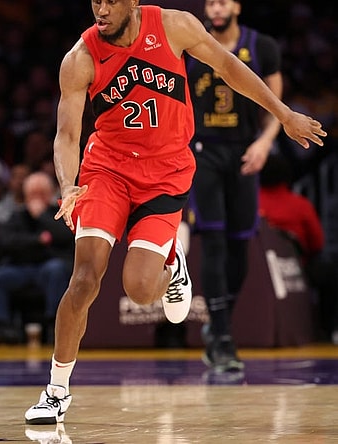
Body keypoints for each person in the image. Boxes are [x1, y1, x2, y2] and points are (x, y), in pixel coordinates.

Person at [24, 0, 325, 426]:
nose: (101, 10)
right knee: (86, 277)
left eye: (110, 1)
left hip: (165, 172)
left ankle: (172, 267)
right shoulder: (81, 57)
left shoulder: (173, 26)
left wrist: (283, 114)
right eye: (94, 1)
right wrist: (66, 183)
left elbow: (229, 68)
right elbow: (67, 133)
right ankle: (56, 391)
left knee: (142, 290)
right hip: (107, 170)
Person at [186, 0, 284, 372]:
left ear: (237, 6)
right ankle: (224, 339)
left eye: (222, 1)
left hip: (245, 151)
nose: (215, 8)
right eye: (210, 2)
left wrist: (264, 142)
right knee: (212, 242)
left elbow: (275, 103)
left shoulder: (262, 47)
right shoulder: (193, 44)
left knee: (239, 245)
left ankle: (218, 323)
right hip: (203, 152)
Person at [0, 172, 73, 345]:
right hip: (21, 268)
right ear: (25, 195)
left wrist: (42, 215)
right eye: (33, 194)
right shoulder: (17, 215)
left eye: (41, 193)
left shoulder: (60, 213)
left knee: (56, 269)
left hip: (48, 267)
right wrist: (38, 241)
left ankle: (55, 326)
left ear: (51, 193)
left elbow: (65, 237)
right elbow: (5, 242)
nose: (36, 198)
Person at [259, 155, 337, 344]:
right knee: (332, 274)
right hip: (296, 270)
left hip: (255, 271)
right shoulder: (300, 205)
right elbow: (317, 243)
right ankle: (328, 329)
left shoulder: (250, 204)